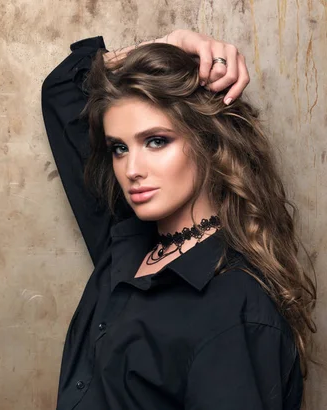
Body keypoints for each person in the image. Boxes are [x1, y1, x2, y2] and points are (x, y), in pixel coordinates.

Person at [40, 29, 317, 410]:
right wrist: (170, 44)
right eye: (119, 148)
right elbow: (62, 89)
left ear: (209, 141)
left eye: (156, 141)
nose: (132, 169)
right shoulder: (127, 238)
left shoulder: (234, 310)